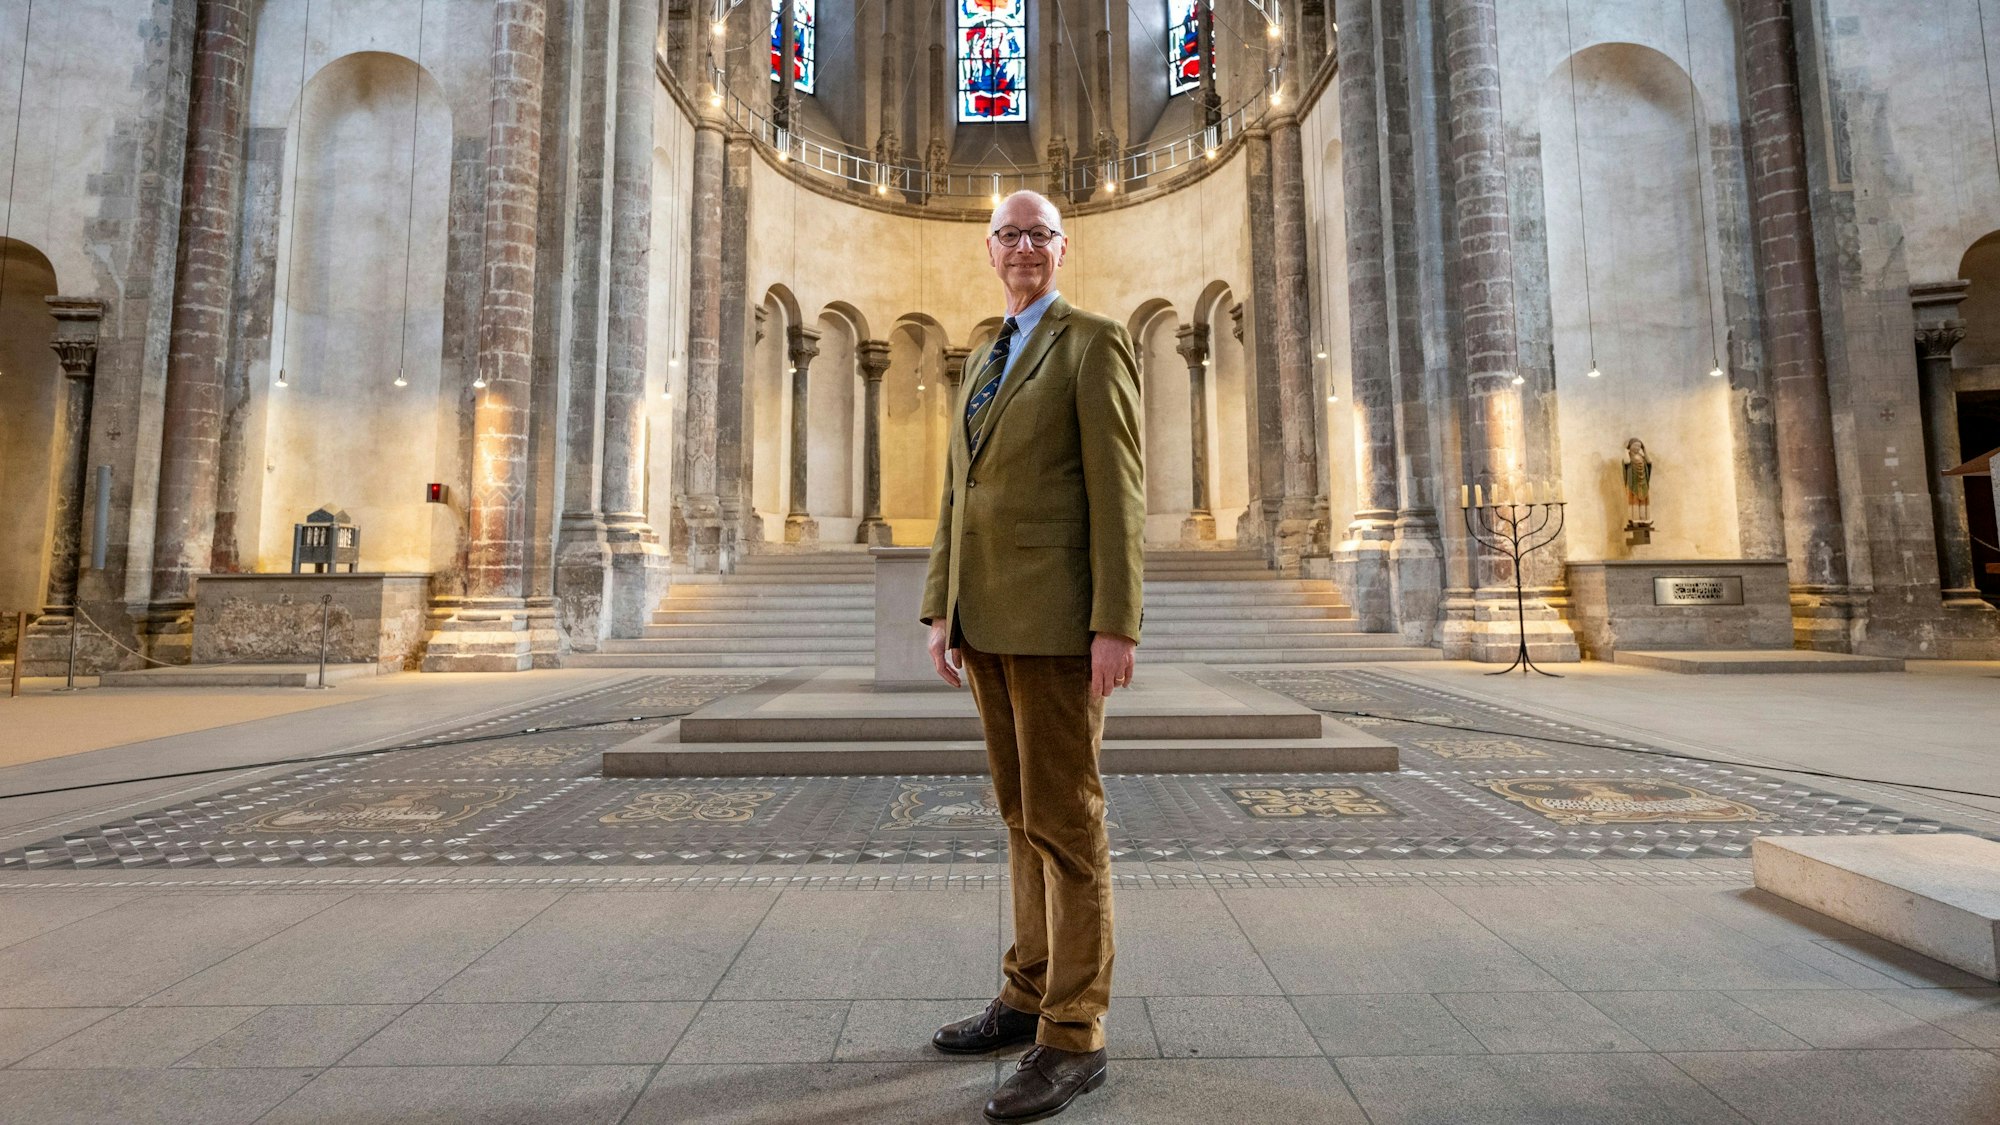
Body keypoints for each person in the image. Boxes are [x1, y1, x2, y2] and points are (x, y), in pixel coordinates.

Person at [919, 189, 1144, 1123]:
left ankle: (1074, 1032)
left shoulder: (1092, 342)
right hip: (988, 620)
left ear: (1063, 247)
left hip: (1057, 624)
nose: (1023, 248)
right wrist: (942, 606)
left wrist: (1116, 620)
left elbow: (1119, 489)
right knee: (1018, 815)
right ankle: (1026, 991)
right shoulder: (983, 351)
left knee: (1067, 820)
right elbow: (956, 490)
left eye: (1039, 235)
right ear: (989, 248)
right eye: (1009, 235)